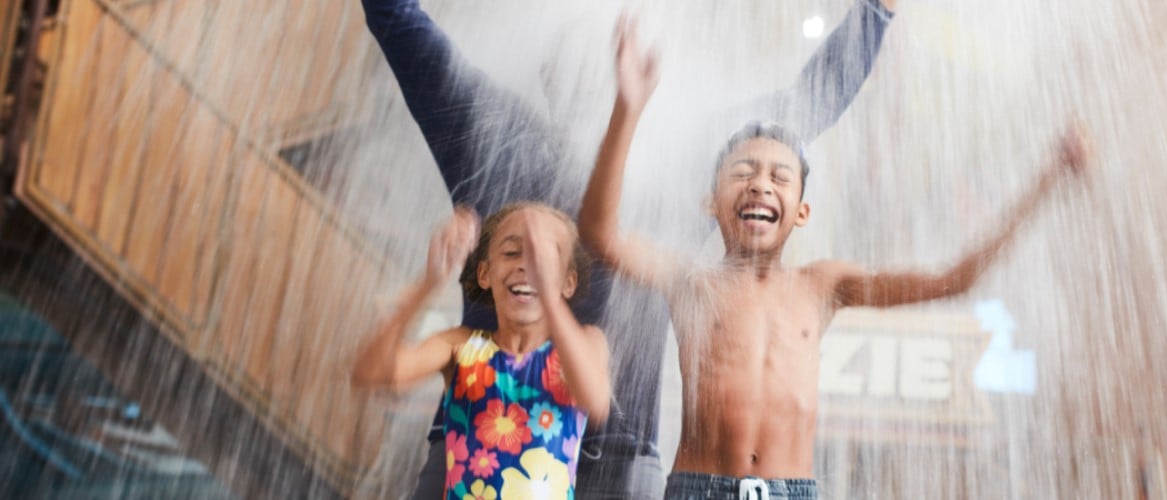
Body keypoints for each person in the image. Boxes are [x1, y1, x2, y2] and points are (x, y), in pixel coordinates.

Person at [358, 1, 896, 497]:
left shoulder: (674, 170)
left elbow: (807, 103)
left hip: (612, 455)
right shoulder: (492, 132)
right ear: (548, 75)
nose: (603, 76)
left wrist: (877, 11)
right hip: (483, 440)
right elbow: (402, 27)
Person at [578, 19, 1094, 500]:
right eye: (743, 173)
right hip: (699, 486)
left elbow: (953, 279)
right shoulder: (690, 282)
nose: (760, 182)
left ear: (801, 212)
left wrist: (1047, 181)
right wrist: (628, 110)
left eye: (779, 177)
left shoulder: (822, 286)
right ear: (709, 202)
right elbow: (601, 234)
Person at [352, 203, 610, 499]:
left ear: (568, 283)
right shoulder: (460, 346)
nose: (528, 266)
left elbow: (596, 399)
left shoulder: (586, 344)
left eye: (545, 258)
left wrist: (549, 298)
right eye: (512, 253)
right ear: (485, 274)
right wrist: (429, 281)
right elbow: (370, 372)